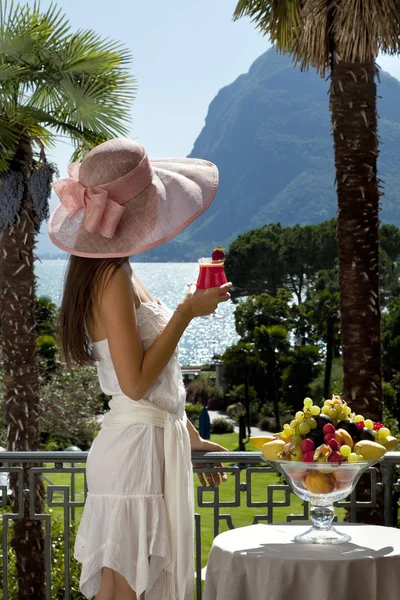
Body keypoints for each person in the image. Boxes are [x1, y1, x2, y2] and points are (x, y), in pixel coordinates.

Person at [49, 138, 232, 600]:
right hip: (135, 458)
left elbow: (158, 385)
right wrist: (187, 313)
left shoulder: (121, 272)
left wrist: (189, 436)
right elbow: (133, 383)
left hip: (148, 446)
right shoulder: (112, 278)